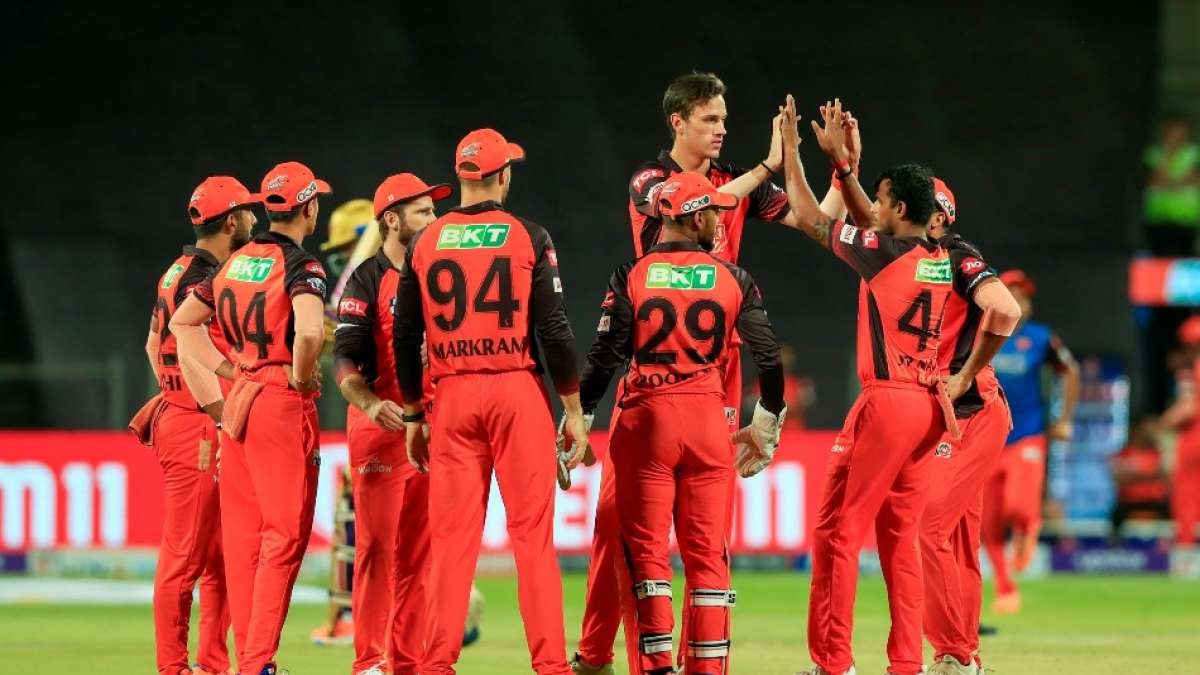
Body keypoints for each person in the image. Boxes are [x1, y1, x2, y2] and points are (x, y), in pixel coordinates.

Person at [573, 71, 855, 675]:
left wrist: (833, 168)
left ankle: (691, 661)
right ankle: (596, 654)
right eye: (710, 119)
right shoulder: (651, 181)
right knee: (616, 519)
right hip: (655, 365)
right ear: (678, 122)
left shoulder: (735, 182)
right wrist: (766, 166)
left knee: (706, 533)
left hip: (715, 371)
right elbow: (697, 201)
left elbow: (818, 222)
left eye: (725, 119)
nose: (722, 128)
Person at [780, 96, 967, 675]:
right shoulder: (937, 256)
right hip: (928, 405)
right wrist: (847, 169)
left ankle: (834, 662)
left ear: (900, 208)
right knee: (899, 538)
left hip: (888, 402)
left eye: (883, 200)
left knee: (838, 531)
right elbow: (869, 221)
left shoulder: (884, 255)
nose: (875, 208)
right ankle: (906, 662)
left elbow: (809, 219)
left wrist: (793, 152)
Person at [574, 170, 785, 674]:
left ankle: (656, 667)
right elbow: (769, 356)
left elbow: (606, 354)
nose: (719, 221)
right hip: (709, 420)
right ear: (692, 218)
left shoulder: (632, 274)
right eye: (712, 212)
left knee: (648, 556)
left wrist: (580, 412)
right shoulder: (734, 278)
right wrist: (767, 420)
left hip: (647, 421)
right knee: (708, 557)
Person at [393, 128, 587, 675]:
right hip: (516, 391)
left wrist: (413, 413)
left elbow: (404, 337)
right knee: (532, 540)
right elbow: (554, 330)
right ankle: (550, 666)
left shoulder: (424, 242)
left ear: (461, 178)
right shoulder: (529, 236)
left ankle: (436, 666)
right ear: (503, 175)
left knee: (451, 545)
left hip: (451, 396)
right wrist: (572, 410)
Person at [172, 161, 332, 675]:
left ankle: (252, 659)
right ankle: (259, 662)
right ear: (309, 208)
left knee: (243, 542)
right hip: (280, 401)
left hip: (242, 396)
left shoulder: (234, 263)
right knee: (284, 537)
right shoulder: (303, 266)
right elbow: (310, 333)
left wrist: (230, 369)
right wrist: (303, 377)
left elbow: (182, 324)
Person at [134, 176, 258, 675]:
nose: (254, 219)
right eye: (248, 212)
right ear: (231, 222)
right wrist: (213, 409)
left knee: (221, 554)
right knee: (185, 554)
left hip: (187, 415)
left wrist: (173, 392)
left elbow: (153, 344)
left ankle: (212, 662)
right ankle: (174, 667)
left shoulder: (177, 270)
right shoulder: (207, 277)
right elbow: (187, 349)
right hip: (201, 423)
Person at [333, 173, 449, 674]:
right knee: (378, 548)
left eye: (433, 210)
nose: (435, 218)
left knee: (421, 555)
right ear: (393, 220)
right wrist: (367, 403)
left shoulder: (443, 273)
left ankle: (405, 662)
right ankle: (368, 662)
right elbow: (344, 359)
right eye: (423, 211)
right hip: (382, 429)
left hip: (436, 427)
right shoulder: (366, 279)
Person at [909, 178, 1021, 675]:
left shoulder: (956, 256)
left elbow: (1005, 308)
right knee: (956, 539)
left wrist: (967, 373)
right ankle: (966, 654)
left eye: (907, 206)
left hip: (973, 414)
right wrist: (843, 171)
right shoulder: (906, 256)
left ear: (937, 218)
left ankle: (953, 653)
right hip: (946, 418)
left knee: (928, 527)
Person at [984, 269, 1079, 614]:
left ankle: (1029, 524)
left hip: (1027, 435)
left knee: (1018, 506)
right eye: (1013, 294)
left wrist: (1063, 420)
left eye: (1024, 297)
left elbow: (1070, 371)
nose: (1019, 302)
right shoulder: (982, 333)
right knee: (987, 522)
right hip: (986, 440)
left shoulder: (1040, 338)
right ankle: (1005, 586)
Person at [1158, 316, 1200, 549]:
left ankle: (1185, 551)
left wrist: (1164, 422)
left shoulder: (1195, 368)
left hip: (1194, 439)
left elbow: (1189, 408)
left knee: (1186, 496)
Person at [1109, 417, 1170, 541]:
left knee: (1170, 512)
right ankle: (1115, 546)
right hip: (1129, 502)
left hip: (1154, 502)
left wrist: (1134, 474)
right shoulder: (1123, 453)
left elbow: (1164, 475)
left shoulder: (1156, 453)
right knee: (1115, 515)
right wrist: (1148, 474)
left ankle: (1166, 545)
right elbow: (1118, 478)